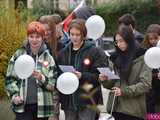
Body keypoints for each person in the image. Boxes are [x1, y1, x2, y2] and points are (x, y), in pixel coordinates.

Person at [5, 21, 58, 120]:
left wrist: (41, 78)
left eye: (37, 37)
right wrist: (14, 96)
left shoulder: (48, 58)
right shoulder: (19, 54)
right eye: (31, 36)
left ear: (42, 38)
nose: (34, 40)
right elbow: (9, 79)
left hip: (42, 107)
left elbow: (52, 85)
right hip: (22, 106)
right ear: (27, 37)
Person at [57, 19, 108, 120]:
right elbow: (58, 75)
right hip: (69, 101)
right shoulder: (63, 53)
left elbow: (98, 76)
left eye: (77, 34)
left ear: (83, 35)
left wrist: (82, 75)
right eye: (72, 34)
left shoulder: (94, 51)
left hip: (87, 101)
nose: (74, 37)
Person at [99, 24, 152, 120]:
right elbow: (111, 84)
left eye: (121, 41)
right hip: (115, 107)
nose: (119, 44)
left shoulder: (143, 56)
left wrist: (124, 91)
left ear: (129, 40)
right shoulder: (115, 57)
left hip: (133, 110)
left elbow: (145, 84)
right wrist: (105, 80)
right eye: (116, 42)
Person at [141, 24, 160, 113]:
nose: (153, 41)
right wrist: (156, 75)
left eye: (155, 38)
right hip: (151, 92)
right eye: (150, 39)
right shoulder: (146, 52)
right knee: (152, 114)